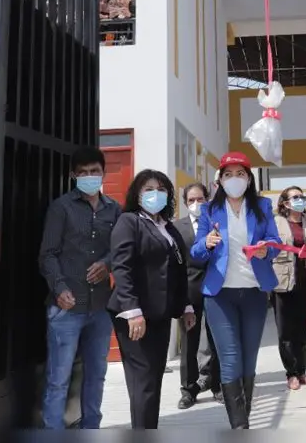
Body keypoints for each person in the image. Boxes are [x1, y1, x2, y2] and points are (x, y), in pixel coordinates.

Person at [190, 152, 281, 429]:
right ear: (219, 179)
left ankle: (244, 419)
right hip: (221, 295)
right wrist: (206, 242)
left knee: (249, 359)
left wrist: (267, 249)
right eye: (228, 174)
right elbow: (195, 251)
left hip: (254, 292)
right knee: (230, 358)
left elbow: (276, 242)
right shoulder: (209, 210)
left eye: (240, 173)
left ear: (249, 178)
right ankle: (240, 427)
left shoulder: (262, 206)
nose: (234, 179)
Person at [37, 146, 121, 430]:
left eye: (94, 171)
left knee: (96, 375)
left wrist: (107, 264)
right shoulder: (61, 208)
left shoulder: (114, 210)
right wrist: (59, 288)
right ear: (73, 175)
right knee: (58, 379)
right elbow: (47, 254)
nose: (89, 176)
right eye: (83, 172)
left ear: (102, 173)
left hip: (100, 308)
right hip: (66, 307)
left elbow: (120, 250)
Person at [108, 169, 195, 429]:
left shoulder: (168, 227)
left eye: (161, 189)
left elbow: (179, 270)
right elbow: (121, 268)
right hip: (134, 316)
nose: (154, 194)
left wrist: (186, 306)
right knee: (143, 382)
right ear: (137, 194)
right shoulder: (129, 222)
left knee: (153, 379)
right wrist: (132, 311)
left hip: (160, 315)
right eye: (148, 189)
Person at [173, 182, 223, 409]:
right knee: (189, 343)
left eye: (200, 199)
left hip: (215, 288)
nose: (196, 204)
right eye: (191, 200)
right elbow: (176, 265)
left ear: (208, 199)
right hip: (188, 291)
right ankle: (188, 389)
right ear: (185, 203)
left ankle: (217, 385)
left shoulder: (217, 223)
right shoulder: (178, 227)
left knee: (216, 340)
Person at [271, 186, 306, 390]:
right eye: (295, 197)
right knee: (286, 331)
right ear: (285, 203)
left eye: (302, 196)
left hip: (305, 281)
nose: (300, 200)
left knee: (302, 329)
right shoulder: (275, 222)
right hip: (283, 282)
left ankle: (301, 370)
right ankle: (290, 373)